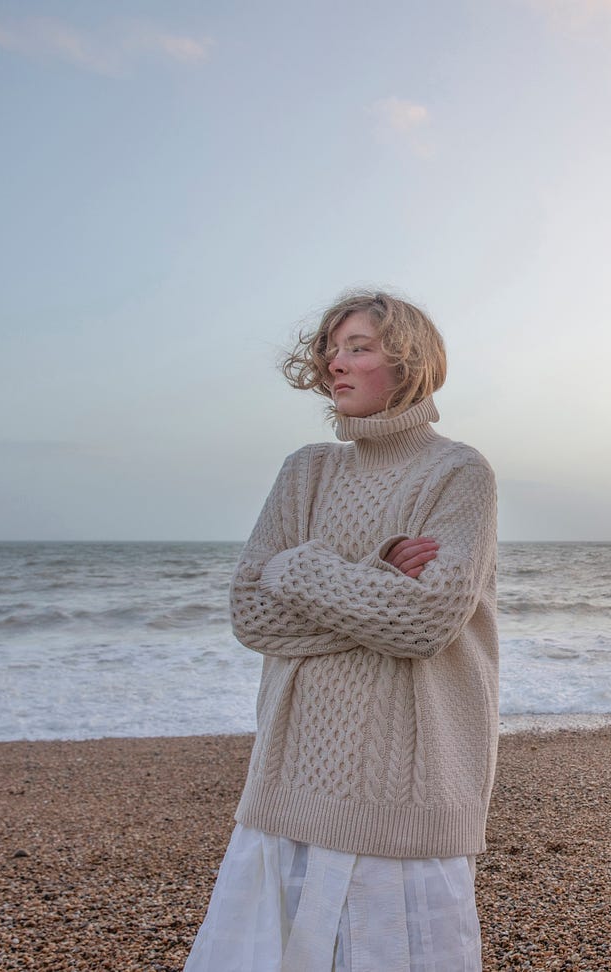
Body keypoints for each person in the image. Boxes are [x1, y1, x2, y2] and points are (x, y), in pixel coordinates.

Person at [184, 290, 499, 972]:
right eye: (331, 349)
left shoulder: (458, 472)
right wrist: (372, 577)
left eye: (358, 347)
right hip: (288, 780)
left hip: (404, 791)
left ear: (409, 361)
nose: (336, 363)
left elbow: (424, 621)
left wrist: (294, 568)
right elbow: (250, 611)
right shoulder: (306, 471)